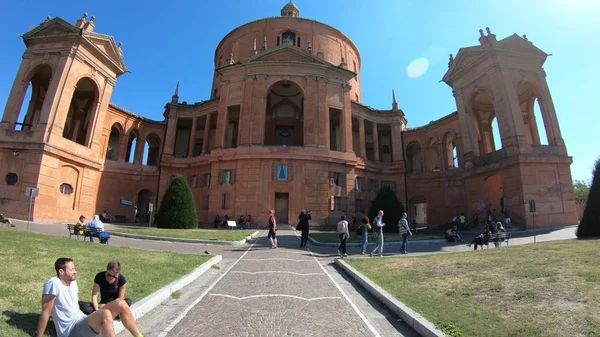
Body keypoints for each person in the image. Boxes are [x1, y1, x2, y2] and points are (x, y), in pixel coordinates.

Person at [36, 257, 144, 337]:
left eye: (74, 268)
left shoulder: (72, 282)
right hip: (70, 330)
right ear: (61, 271)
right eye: (72, 269)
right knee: (105, 313)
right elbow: (46, 312)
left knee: (121, 302)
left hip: (82, 320)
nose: (75, 271)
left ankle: (139, 336)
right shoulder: (53, 283)